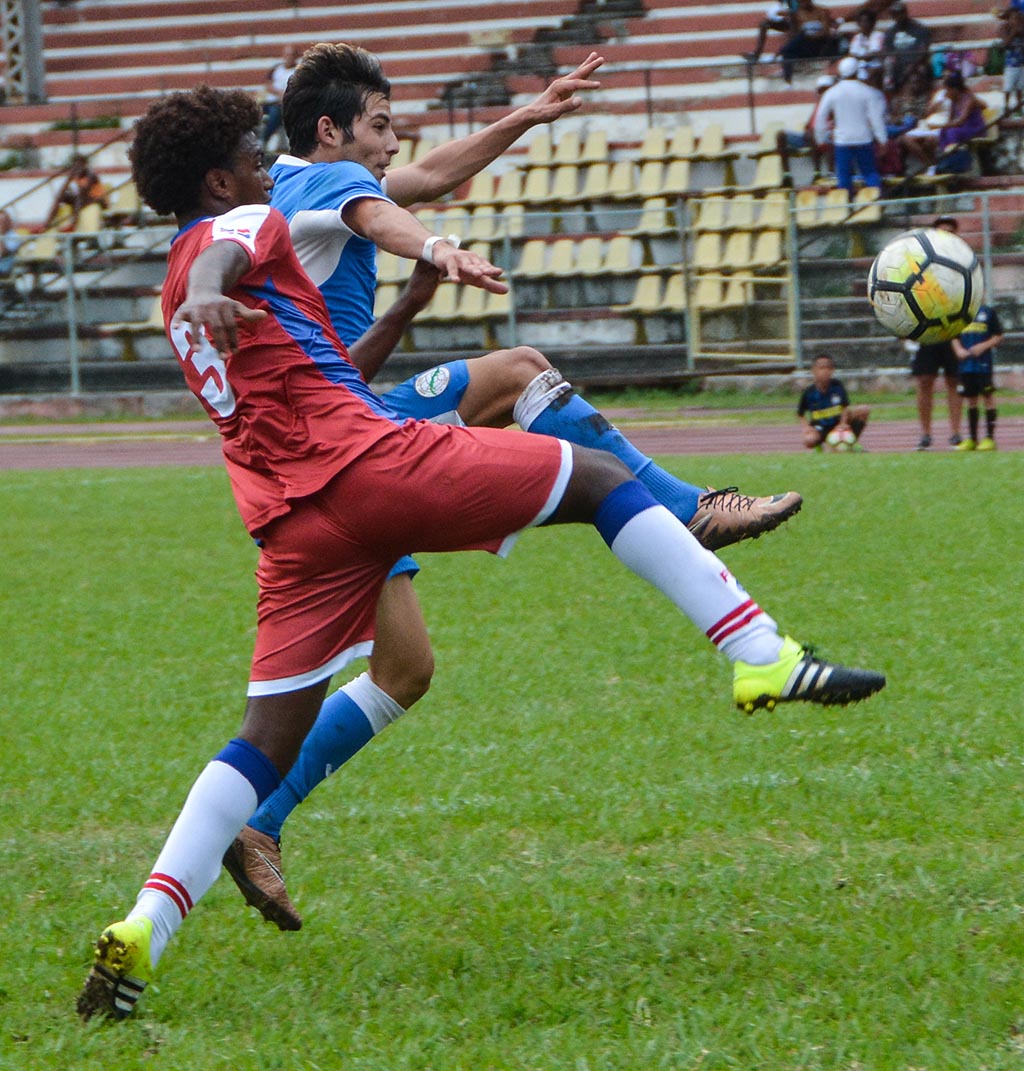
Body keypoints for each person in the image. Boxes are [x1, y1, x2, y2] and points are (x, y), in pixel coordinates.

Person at [75, 86, 885, 1021]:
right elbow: (241, 244)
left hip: (289, 525)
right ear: (219, 178)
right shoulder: (236, 228)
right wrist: (281, 271)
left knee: (265, 739)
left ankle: (143, 926)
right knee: (590, 477)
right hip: (366, 467)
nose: (267, 172)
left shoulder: (171, 285)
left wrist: (243, 291)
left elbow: (287, 314)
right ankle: (761, 656)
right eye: (253, 163)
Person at [224, 42, 804, 932]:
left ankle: (255, 822)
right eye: (378, 124)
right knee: (518, 370)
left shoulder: (317, 197)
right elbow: (394, 216)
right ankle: (689, 509)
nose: (394, 142)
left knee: (405, 669)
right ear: (330, 129)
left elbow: (406, 210)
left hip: (346, 426)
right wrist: (439, 251)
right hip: (327, 465)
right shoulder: (312, 190)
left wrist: (529, 116)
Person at [813, 56, 887, 195]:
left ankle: (847, 208)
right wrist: (882, 140)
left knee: (844, 176)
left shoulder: (832, 92)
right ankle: (875, 204)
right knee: (870, 173)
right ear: (857, 72)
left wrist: (820, 139)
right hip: (863, 138)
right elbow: (876, 118)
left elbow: (820, 117)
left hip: (843, 140)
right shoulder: (867, 91)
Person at [902, 71, 986, 174]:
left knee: (952, 132)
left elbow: (960, 121)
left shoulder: (968, 99)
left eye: (947, 90)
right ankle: (936, 166)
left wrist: (938, 126)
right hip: (960, 126)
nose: (946, 93)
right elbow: (951, 119)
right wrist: (942, 127)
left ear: (954, 90)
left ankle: (953, 160)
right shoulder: (954, 99)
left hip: (972, 127)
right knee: (939, 135)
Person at [952, 301, 1002, 451]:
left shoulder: (988, 312)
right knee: (971, 400)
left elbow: (998, 336)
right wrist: (958, 350)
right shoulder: (960, 313)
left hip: (983, 365)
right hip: (967, 366)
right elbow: (953, 335)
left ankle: (989, 438)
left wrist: (983, 346)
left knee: (987, 397)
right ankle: (973, 439)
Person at [797, 352, 870, 450]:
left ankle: (850, 442)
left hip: (837, 424)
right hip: (820, 427)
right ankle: (820, 448)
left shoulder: (837, 386)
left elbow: (845, 407)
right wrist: (807, 427)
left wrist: (842, 423)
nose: (825, 371)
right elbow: (800, 413)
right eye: (821, 368)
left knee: (863, 410)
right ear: (814, 371)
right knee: (809, 439)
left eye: (828, 368)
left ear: (832, 370)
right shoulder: (809, 392)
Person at [777, 74, 835, 179]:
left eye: (826, 89)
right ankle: (787, 175)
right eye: (821, 90)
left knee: (812, 135)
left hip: (824, 138)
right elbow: (809, 123)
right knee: (780, 135)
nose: (823, 93)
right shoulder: (818, 104)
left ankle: (817, 173)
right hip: (809, 137)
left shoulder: (833, 104)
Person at [777, 0, 842, 84]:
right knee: (790, 50)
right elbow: (793, 31)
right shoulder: (796, 14)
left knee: (799, 39)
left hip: (818, 44)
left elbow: (826, 32)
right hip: (804, 44)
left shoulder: (821, 11)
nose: (801, 2)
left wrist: (812, 35)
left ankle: (782, 51)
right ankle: (788, 79)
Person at [45, 153, 108, 229]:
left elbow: (84, 191)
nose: (77, 167)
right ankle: (47, 224)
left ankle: (73, 225)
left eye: (79, 165)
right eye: (75, 165)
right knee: (61, 197)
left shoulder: (91, 175)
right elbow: (62, 191)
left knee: (79, 198)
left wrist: (73, 189)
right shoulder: (77, 175)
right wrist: (68, 180)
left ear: (85, 165)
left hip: (98, 200)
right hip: (85, 198)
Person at [883, 1, 932, 91]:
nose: (898, 16)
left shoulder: (919, 29)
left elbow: (924, 50)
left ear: (905, 13)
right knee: (888, 67)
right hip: (899, 64)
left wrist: (913, 65)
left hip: (916, 63)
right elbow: (889, 51)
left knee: (923, 69)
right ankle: (892, 93)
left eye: (900, 13)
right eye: (895, 14)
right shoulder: (890, 32)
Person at [262, 43, 299, 151]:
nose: (289, 58)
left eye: (291, 55)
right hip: (270, 101)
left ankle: (264, 138)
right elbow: (268, 84)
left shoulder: (298, 71)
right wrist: (278, 92)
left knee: (277, 112)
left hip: (286, 104)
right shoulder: (276, 69)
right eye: (287, 55)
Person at [1000, 6, 1024, 115]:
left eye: (1018, 19)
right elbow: (1005, 45)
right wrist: (1014, 33)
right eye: (1013, 19)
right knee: (1008, 87)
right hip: (1010, 64)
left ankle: (1019, 106)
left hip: (1021, 63)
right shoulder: (1006, 31)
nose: (1016, 21)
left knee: (1020, 86)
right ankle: (1006, 105)